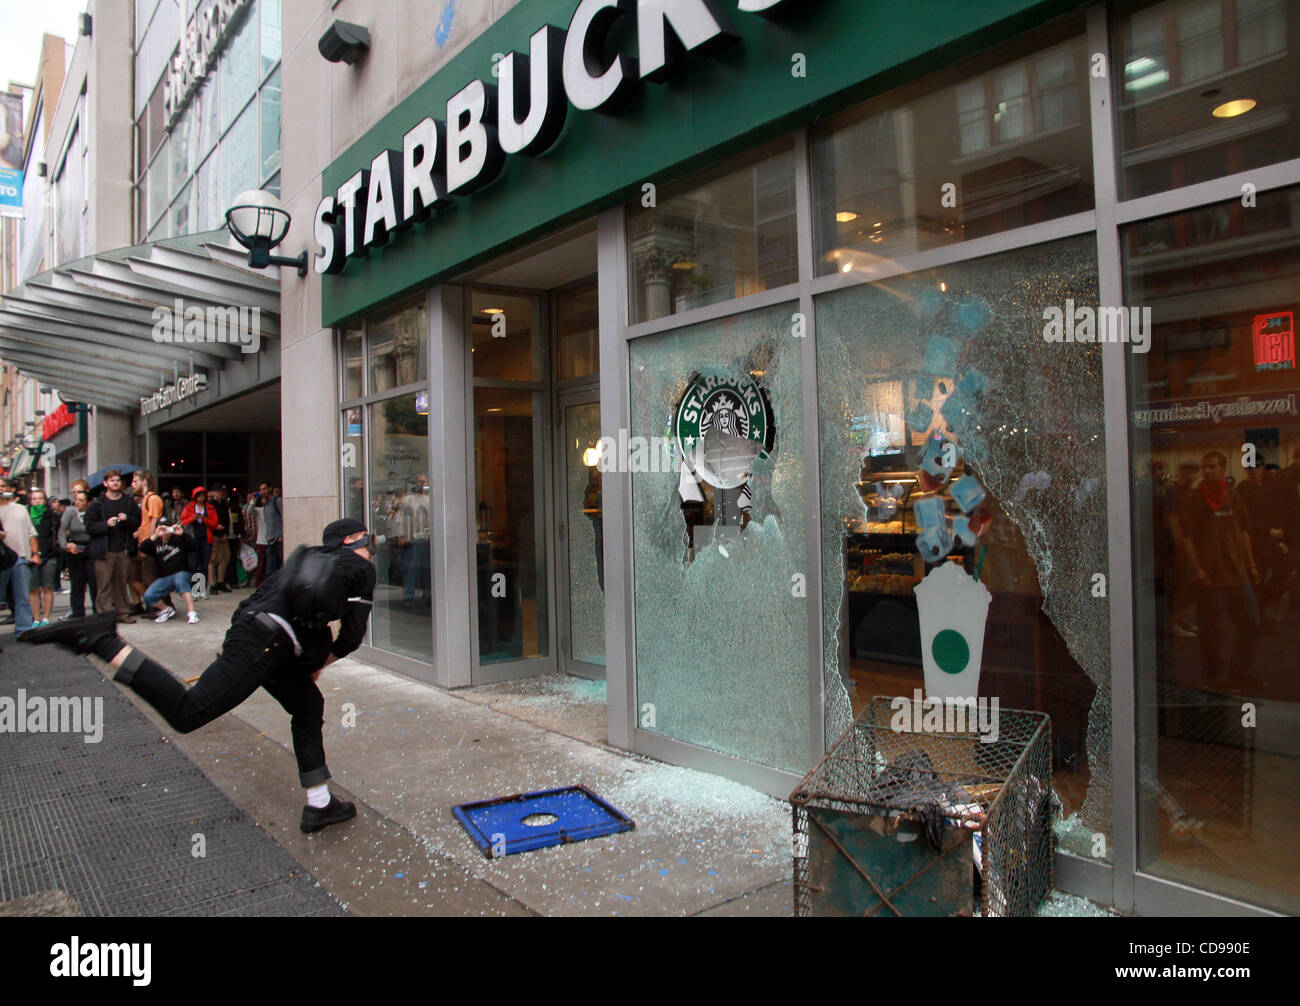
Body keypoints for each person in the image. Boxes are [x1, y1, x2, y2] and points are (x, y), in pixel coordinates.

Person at [24, 519, 379, 832]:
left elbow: (250, 604)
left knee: (307, 705)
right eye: (368, 542)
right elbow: (349, 638)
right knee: (188, 711)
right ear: (350, 541)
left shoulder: (304, 559)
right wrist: (319, 662)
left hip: (257, 637)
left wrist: (239, 647)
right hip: (269, 646)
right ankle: (103, 641)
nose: (371, 550)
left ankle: (319, 804)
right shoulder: (359, 569)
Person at [1177, 451, 1262, 691]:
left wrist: (1251, 565)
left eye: (1213, 467)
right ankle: (1213, 676)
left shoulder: (1233, 498)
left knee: (1252, 623)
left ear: (1224, 468)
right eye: (1205, 467)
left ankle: (1239, 671)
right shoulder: (1194, 500)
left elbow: (1243, 532)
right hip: (1212, 578)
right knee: (1211, 632)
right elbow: (1187, 537)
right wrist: (1198, 568)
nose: (1207, 471)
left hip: (1237, 575)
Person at [86, 470, 141, 623]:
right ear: (105, 484)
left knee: (121, 583)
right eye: (112, 481)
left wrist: (127, 519)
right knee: (104, 584)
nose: (115, 483)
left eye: (117, 480)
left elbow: (137, 520)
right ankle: (104, 615)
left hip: (123, 549)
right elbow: (89, 525)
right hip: (104, 551)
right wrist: (105, 525)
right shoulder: (98, 503)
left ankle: (123, 613)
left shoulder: (128, 501)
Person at [0, 477, 41, 640]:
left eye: (3, 486)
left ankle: (24, 630)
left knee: (22, 596)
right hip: (1, 560)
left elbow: (32, 533)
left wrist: (36, 553)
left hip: (20, 557)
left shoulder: (20, 509)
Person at [138, 521, 199, 624]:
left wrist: (182, 534)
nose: (165, 532)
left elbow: (194, 546)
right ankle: (166, 609)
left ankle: (192, 613)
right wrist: (155, 535)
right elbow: (142, 548)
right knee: (149, 595)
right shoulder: (155, 542)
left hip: (182, 572)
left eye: (167, 529)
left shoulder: (178, 538)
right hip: (166, 577)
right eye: (162, 529)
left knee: (180, 580)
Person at [128, 471, 166, 614]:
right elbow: (147, 522)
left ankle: (160, 606)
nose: (133, 484)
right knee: (141, 578)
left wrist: (148, 544)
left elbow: (154, 522)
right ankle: (155, 605)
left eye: (135, 481)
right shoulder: (146, 499)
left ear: (144, 481)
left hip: (149, 545)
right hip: (144, 543)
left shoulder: (153, 499)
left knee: (150, 578)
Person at [58, 489, 97, 619]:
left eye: (81, 500)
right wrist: (65, 546)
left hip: (91, 548)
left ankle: (97, 612)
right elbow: (62, 530)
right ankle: (78, 613)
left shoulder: (93, 511)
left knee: (94, 582)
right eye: (76, 499)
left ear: (88, 502)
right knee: (77, 584)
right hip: (75, 548)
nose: (77, 502)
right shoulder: (70, 512)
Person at [26, 487, 61, 628]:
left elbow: (57, 535)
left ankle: (46, 617)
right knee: (33, 588)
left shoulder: (52, 516)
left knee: (48, 587)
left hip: (50, 554)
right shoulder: (26, 514)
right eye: (34, 498)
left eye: (40, 498)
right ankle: (36, 618)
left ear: (45, 500)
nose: (37, 501)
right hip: (31, 556)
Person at [181, 486, 219, 596]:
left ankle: (201, 589)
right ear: (195, 497)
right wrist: (193, 518)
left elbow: (215, 523)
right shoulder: (189, 507)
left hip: (206, 539)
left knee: (204, 565)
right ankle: (193, 589)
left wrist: (204, 519)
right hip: (193, 539)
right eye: (199, 496)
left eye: (203, 496)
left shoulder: (210, 508)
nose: (201, 498)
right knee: (192, 564)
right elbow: (183, 521)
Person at [207, 484, 234, 594]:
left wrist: (226, 533)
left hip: (223, 536)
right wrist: (216, 529)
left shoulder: (224, 504)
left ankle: (220, 581)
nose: (220, 493)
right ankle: (212, 584)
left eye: (222, 491)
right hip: (214, 535)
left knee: (224, 558)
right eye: (218, 491)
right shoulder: (209, 505)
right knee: (212, 559)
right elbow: (207, 521)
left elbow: (227, 520)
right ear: (213, 492)